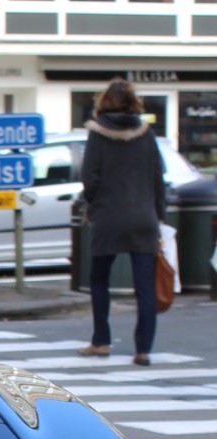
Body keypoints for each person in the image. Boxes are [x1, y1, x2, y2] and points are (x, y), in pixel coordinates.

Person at [78, 77, 168, 367]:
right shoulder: (147, 134)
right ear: (134, 102)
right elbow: (158, 179)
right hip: (143, 218)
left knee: (99, 280)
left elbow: (89, 177)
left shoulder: (97, 135)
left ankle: (101, 341)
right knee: (144, 287)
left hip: (108, 217)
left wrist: (92, 203)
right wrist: (159, 215)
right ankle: (143, 349)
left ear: (104, 102)